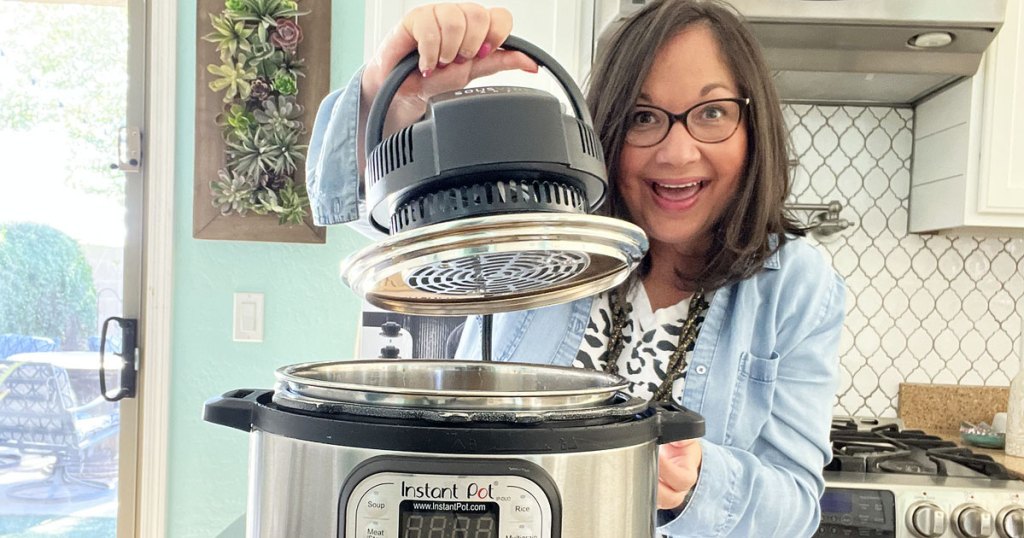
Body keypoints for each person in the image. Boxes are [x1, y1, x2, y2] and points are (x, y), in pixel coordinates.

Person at [305, 1, 845, 536]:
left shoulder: (795, 285)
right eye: (643, 117)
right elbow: (392, 226)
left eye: (712, 113)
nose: (678, 154)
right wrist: (393, 98)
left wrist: (697, 481)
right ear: (603, 131)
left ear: (752, 127)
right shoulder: (537, 227)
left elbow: (794, 508)